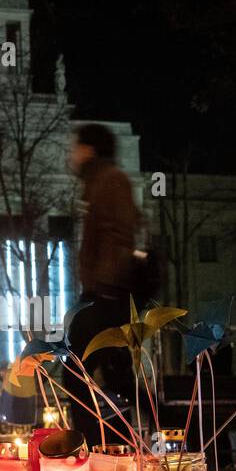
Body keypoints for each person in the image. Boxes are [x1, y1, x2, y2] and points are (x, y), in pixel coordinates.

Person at [65, 123, 142, 446]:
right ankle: (120, 445)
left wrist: (105, 288)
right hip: (106, 295)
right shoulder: (100, 182)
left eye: (76, 147)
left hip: (107, 296)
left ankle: (92, 445)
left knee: (76, 372)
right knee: (115, 374)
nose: (71, 153)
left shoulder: (109, 181)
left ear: (89, 150)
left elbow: (120, 236)